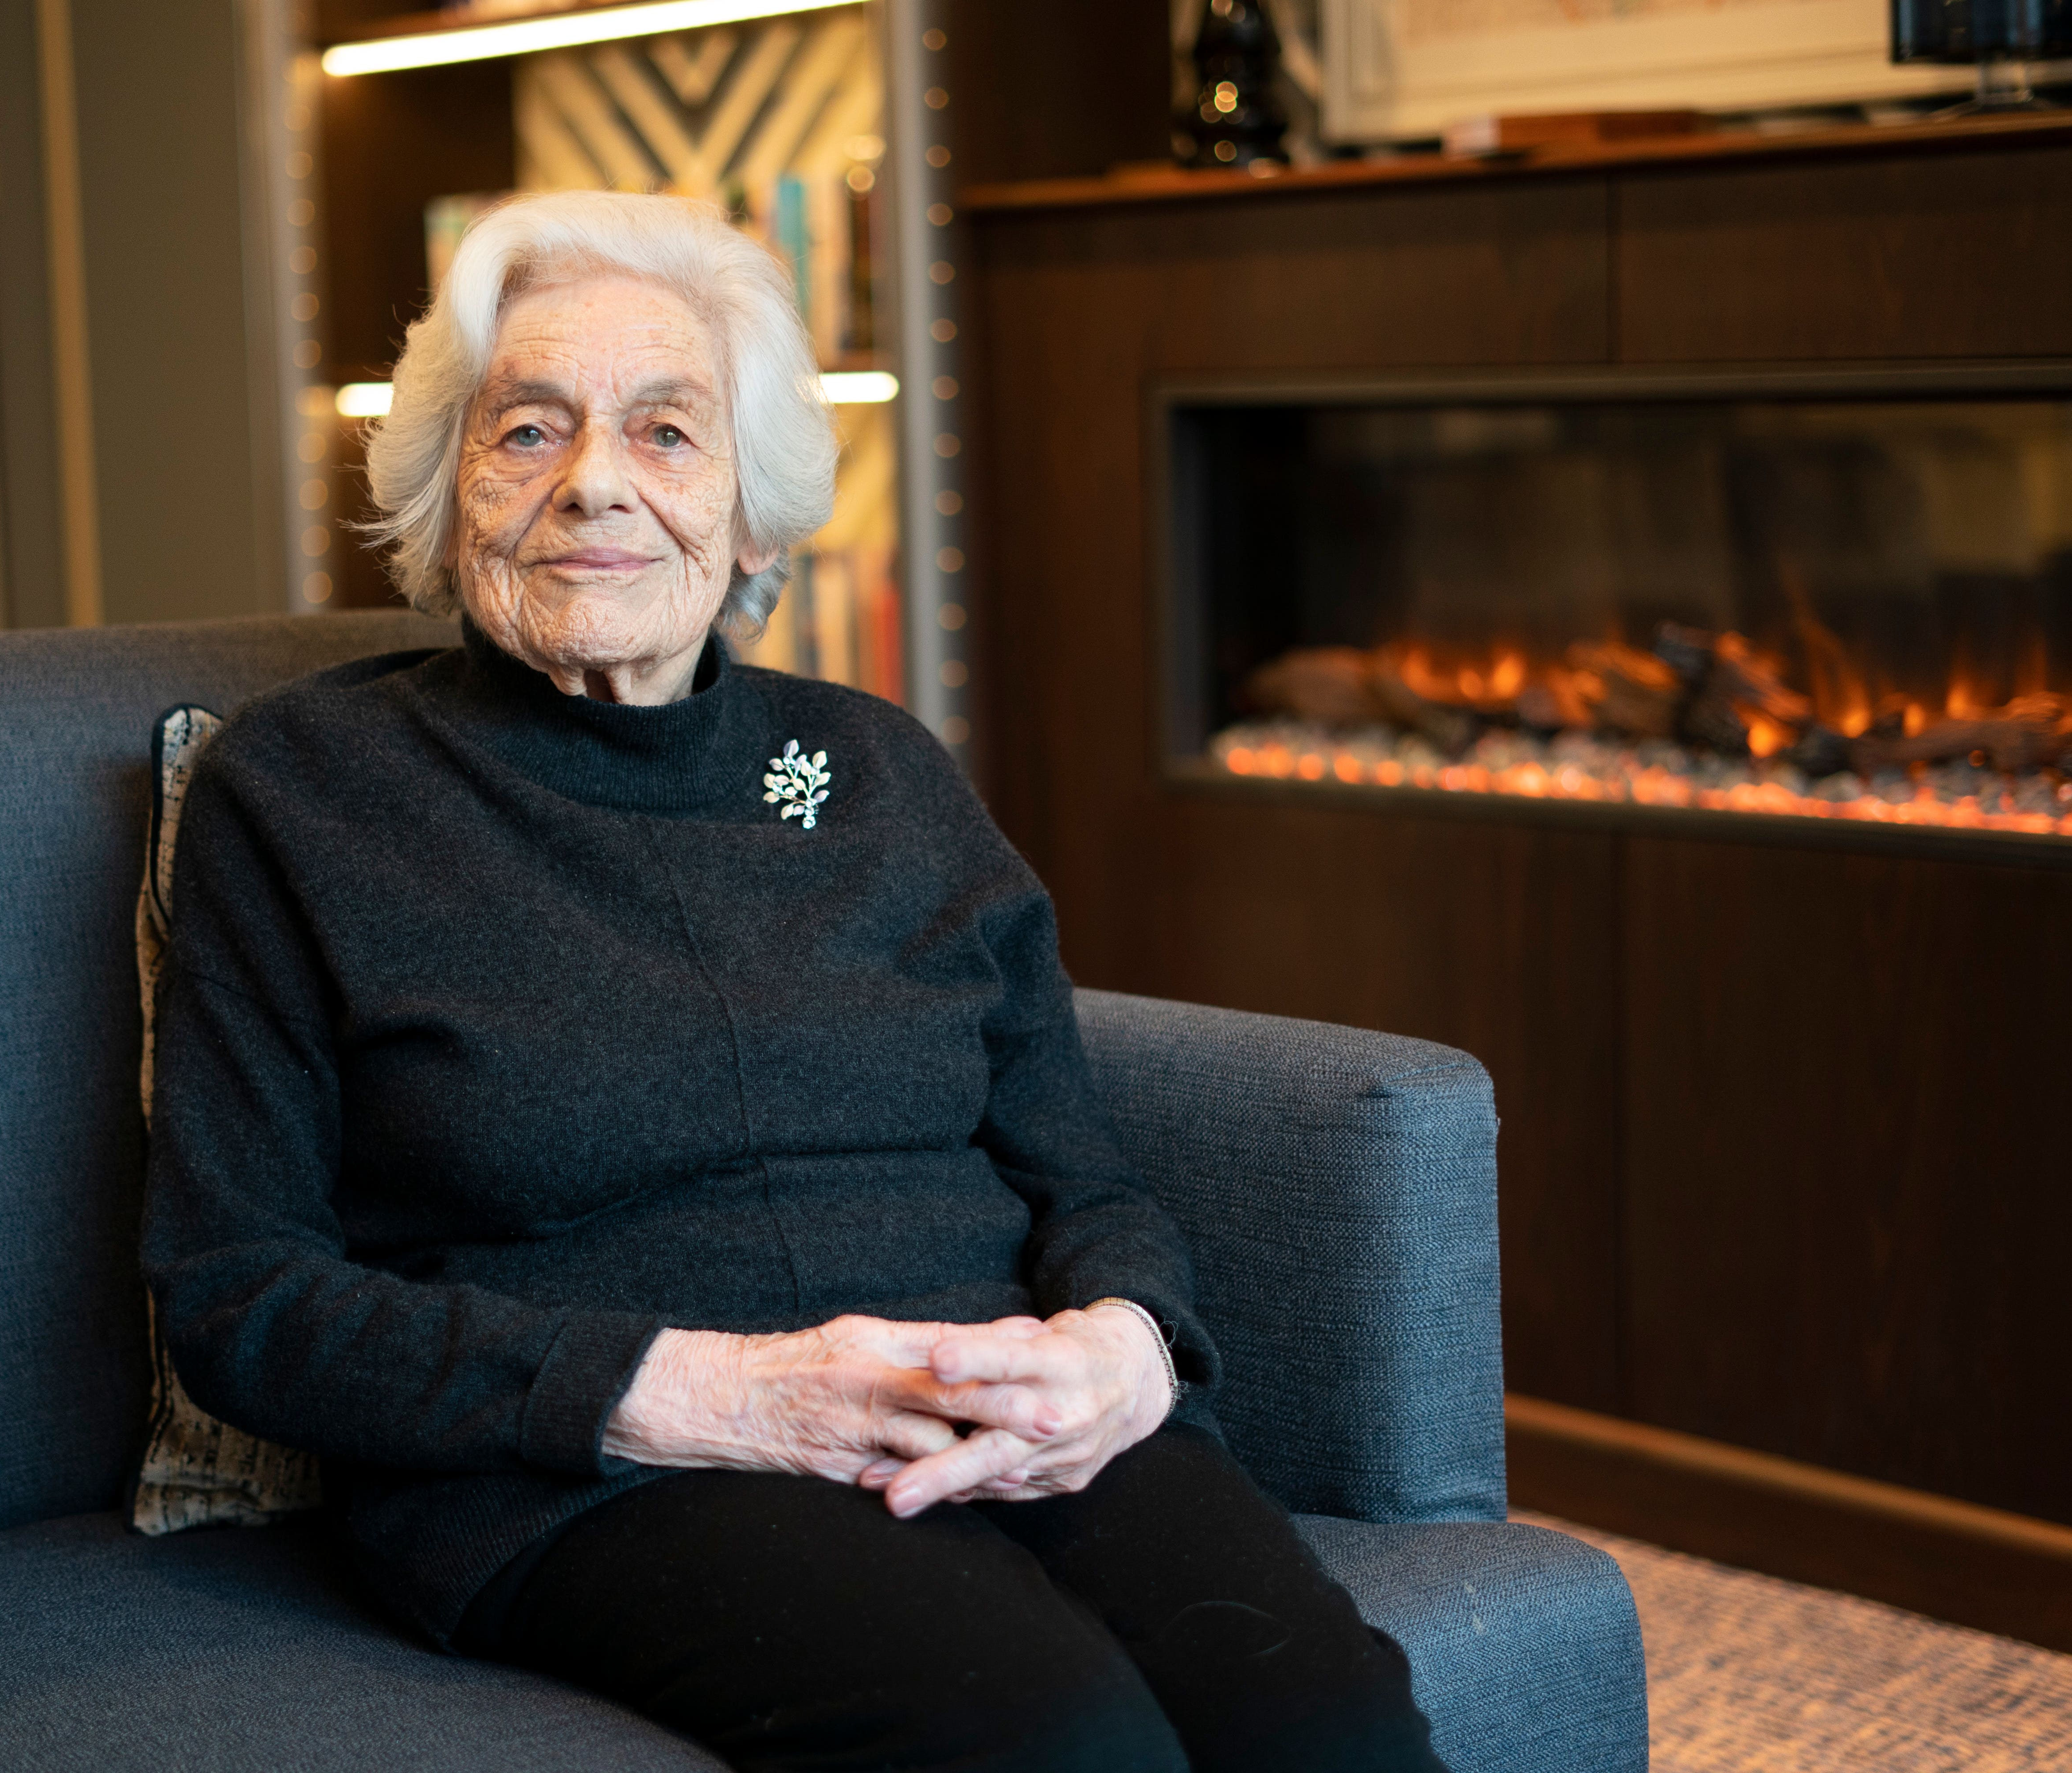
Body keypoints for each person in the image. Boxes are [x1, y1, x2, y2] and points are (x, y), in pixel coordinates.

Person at [143, 189, 1445, 1773]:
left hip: (983, 1400)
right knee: (1051, 1740)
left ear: (754, 516)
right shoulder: (308, 797)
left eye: (669, 434)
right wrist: (700, 1394)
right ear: (445, 492)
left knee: (1329, 1724)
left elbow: (1082, 1169)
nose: (595, 485)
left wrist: (1127, 1346)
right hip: (607, 1467)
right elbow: (241, 1302)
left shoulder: (874, 772)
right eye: (529, 431)